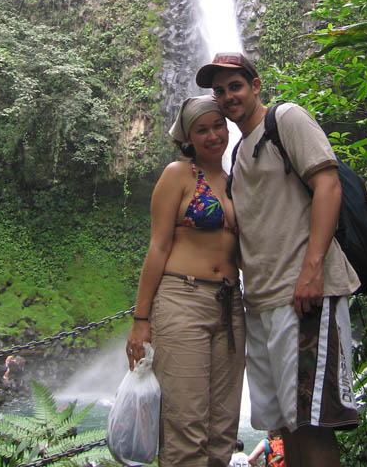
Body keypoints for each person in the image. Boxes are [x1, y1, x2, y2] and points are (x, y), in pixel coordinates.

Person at [196, 53, 360, 467]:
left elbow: (327, 186)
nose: (228, 96)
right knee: (286, 426)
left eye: (235, 85)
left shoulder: (286, 120)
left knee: (312, 423)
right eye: (219, 90)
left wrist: (311, 270)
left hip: (304, 296)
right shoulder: (237, 156)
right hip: (262, 304)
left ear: (255, 85)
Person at [126, 95, 246, 467]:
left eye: (217, 126)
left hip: (231, 305)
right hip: (182, 300)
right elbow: (158, 247)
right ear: (188, 138)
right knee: (186, 426)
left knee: (223, 429)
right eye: (202, 130)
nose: (213, 135)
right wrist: (141, 321)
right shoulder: (177, 175)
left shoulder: (236, 180)